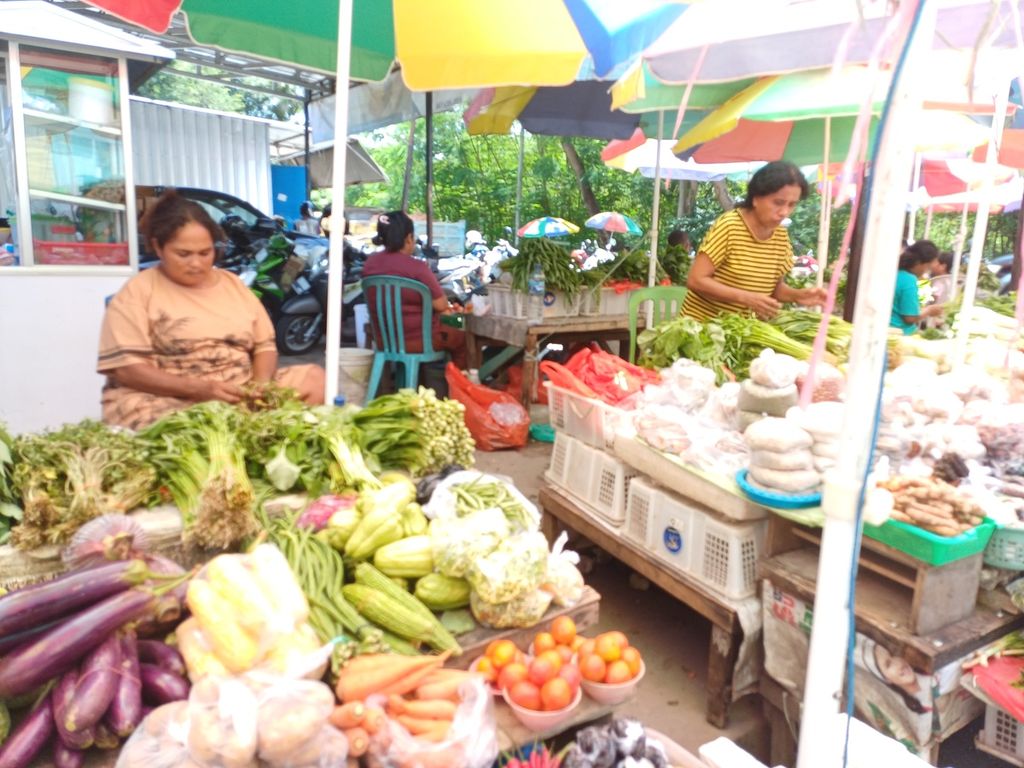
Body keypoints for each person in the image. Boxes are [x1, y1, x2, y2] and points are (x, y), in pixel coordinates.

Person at [97, 191, 325, 430]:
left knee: (314, 380)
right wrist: (201, 389)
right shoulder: (137, 293)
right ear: (158, 247)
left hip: (239, 392)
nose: (196, 263)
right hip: (168, 399)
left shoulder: (233, 284)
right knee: (189, 435)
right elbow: (127, 370)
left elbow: (264, 346)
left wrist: (260, 387)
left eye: (205, 253)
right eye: (183, 254)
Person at [681, 161, 827, 321]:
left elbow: (774, 289)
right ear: (756, 198)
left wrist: (798, 295)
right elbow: (696, 280)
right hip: (701, 329)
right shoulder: (729, 227)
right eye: (778, 202)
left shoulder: (780, 236)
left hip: (741, 333)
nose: (784, 212)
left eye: (792, 204)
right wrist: (746, 298)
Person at [361, 211, 467, 368]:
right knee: (462, 334)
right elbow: (441, 305)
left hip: (384, 341)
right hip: (420, 342)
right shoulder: (417, 267)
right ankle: (463, 385)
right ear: (409, 238)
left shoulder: (370, 264)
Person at [890, 240, 943, 335]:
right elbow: (910, 317)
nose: (925, 272)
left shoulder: (895, 272)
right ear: (919, 263)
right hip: (899, 333)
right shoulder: (909, 280)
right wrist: (929, 310)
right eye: (927, 267)